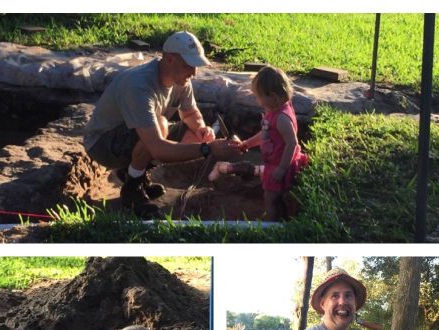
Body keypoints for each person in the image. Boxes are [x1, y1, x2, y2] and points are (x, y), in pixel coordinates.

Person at [83, 31, 241, 217]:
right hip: (103, 144)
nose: (194, 72)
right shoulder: (139, 85)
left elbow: (190, 113)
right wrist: (208, 149)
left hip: (134, 134)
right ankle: (132, 189)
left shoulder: (181, 80)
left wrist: (201, 129)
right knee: (161, 123)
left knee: (191, 133)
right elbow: (157, 147)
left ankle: (134, 172)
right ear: (169, 59)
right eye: (189, 65)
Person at [208, 65, 309, 221]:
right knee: (276, 196)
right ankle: (278, 215)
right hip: (275, 163)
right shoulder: (274, 111)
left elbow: (292, 144)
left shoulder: (282, 118)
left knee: (270, 198)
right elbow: (265, 134)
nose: (257, 100)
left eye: (259, 96)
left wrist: (282, 168)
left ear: (273, 96)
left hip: (280, 165)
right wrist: (247, 143)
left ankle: (269, 225)